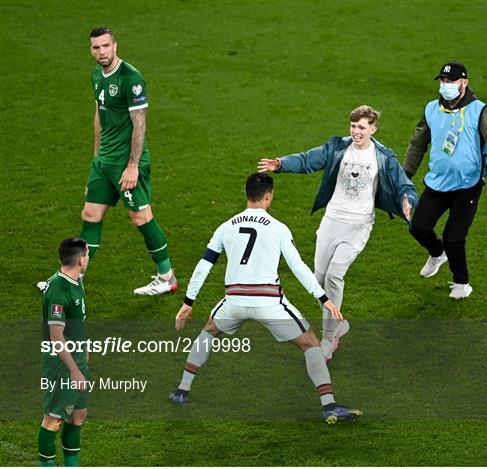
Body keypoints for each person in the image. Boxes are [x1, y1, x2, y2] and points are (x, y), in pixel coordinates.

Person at [170, 173, 361, 424]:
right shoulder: (279, 228)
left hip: (234, 301)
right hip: (269, 303)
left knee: (208, 332)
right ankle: (329, 406)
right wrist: (324, 298)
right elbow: (298, 266)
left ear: (246, 195)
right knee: (311, 344)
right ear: (268, 197)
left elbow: (203, 266)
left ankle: (182, 390)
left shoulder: (226, 226)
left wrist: (188, 303)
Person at [257, 105, 417, 360]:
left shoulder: (384, 157)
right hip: (332, 220)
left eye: (361, 127)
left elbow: (403, 186)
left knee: (334, 276)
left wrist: (408, 200)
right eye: (353, 126)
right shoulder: (338, 148)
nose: (356, 131)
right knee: (318, 280)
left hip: (359, 225)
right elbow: (309, 159)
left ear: (373, 129)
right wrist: (281, 164)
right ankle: (339, 324)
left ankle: (329, 337)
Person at [37, 27, 176, 295]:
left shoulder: (131, 78)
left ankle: (166, 276)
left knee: (140, 217)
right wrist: (96, 157)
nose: (101, 52)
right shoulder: (96, 75)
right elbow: (99, 115)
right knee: (90, 214)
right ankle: (72, 278)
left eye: (105, 46)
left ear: (115, 46)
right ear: (90, 50)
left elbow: (140, 124)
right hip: (104, 163)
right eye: (96, 48)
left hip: (127, 164)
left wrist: (133, 165)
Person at [403, 62, 487, 299]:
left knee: (454, 237)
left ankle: (462, 283)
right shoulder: (432, 109)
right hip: (437, 182)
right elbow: (418, 144)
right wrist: (405, 176)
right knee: (418, 226)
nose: (446, 86)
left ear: (464, 83)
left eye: (450, 81)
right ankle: (437, 253)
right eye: (442, 81)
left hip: (467, 186)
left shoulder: (480, 111)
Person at [38, 238, 90, 467]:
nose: (88, 258)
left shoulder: (75, 279)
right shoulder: (59, 292)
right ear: (80, 260)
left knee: (78, 415)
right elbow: (56, 337)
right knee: (52, 419)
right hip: (62, 364)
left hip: (77, 358)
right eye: (87, 255)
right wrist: (75, 371)